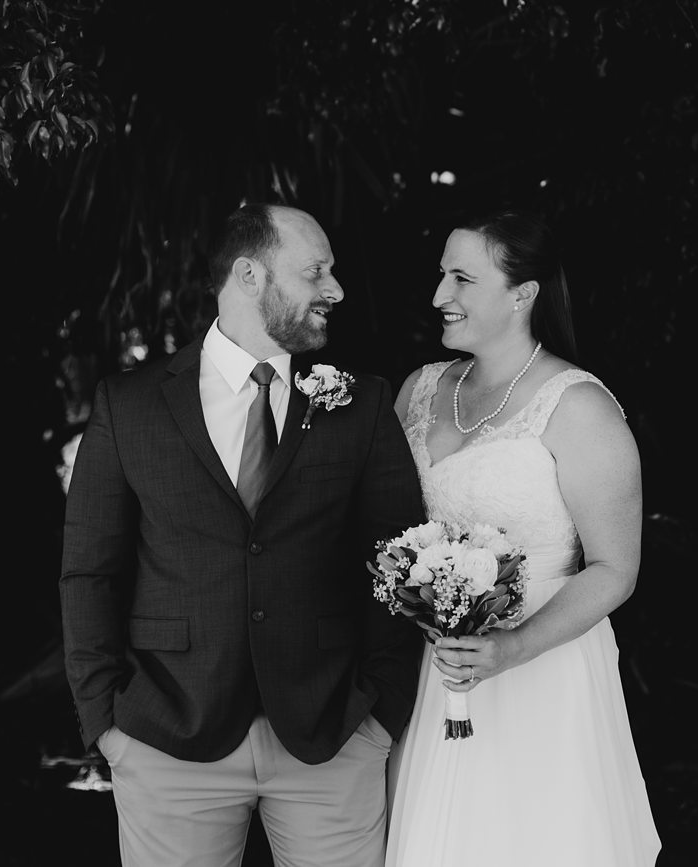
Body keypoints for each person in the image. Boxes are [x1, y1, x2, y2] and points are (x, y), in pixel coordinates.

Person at [61, 203, 425, 867]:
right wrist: (106, 727)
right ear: (251, 275)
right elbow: (91, 571)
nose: (336, 289)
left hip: (332, 735)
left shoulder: (361, 403)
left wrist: (381, 717)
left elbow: (397, 559)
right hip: (168, 735)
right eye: (316, 271)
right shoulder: (131, 404)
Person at [385, 210, 662, 866]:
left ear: (522, 293)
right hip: (436, 665)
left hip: (547, 667)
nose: (438, 296)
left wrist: (511, 648)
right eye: (440, 275)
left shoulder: (580, 407)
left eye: (460, 278)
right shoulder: (419, 391)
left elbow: (615, 567)